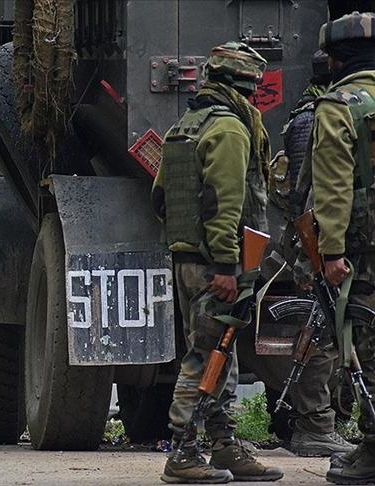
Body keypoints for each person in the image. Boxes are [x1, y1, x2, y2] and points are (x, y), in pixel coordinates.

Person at [151, 41, 284, 483]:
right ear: (245, 85)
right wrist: (227, 266)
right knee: (205, 356)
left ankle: (224, 446)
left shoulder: (186, 125)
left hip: (190, 259)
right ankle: (182, 454)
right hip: (217, 265)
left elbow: (160, 198)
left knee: (221, 355)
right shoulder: (229, 129)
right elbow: (224, 203)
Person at [265, 50, 355, 458]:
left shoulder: (305, 115)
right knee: (325, 334)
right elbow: (318, 191)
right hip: (322, 240)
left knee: (327, 331)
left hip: (314, 239)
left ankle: (317, 420)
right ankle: (316, 425)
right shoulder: (323, 117)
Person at [300, 11, 375, 484]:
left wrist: (331, 252)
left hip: (365, 249)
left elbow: (332, 187)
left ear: (337, 59)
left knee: (367, 344)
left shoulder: (339, 106)